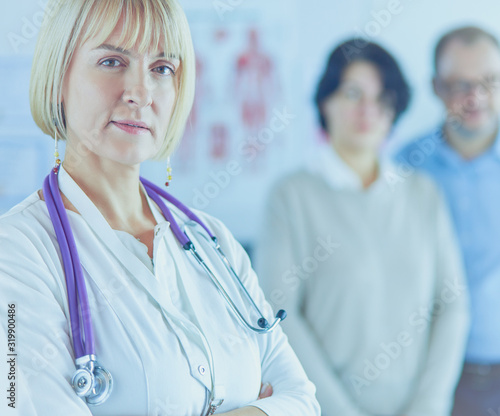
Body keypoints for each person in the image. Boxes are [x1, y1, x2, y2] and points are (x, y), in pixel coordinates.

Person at [0, 1, 320, 415]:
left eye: (162, 68)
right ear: (59, 77)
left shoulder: (212, 240)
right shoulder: (18, 254)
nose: (140, 92)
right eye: (112, 61)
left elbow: (302, 400)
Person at [256, 39, 469, 416]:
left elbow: (451, 304)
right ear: (326, 101)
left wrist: (428, 406)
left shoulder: (422, 194)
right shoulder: (292, 196)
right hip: (323, 408)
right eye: (353, 93)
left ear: (394, 110)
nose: (368, 109)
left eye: (381, 97)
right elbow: (279, 313)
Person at [396, 26, 500, 416]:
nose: (476, 97)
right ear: (437, 87)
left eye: (490, 81)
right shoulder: (405, 168)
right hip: (432, 372)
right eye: (460, 85)